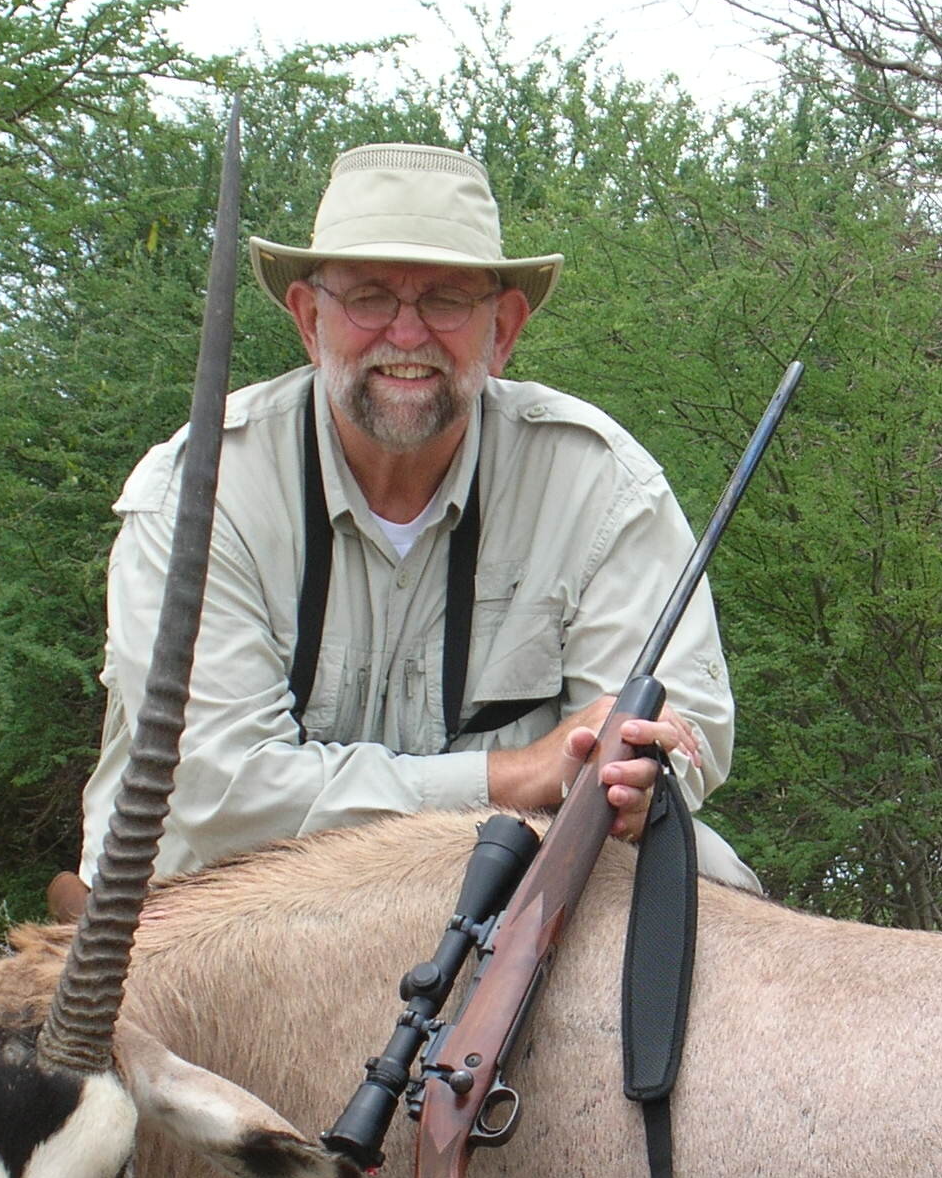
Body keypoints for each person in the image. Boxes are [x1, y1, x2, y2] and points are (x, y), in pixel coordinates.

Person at [74, 141, 756, 897]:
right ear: (309, 319)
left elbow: (681, 735)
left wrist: (640, 773)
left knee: (713, 879)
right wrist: (517, 773)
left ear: (502, 329)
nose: (406, 335)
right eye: (368, 297)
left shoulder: (603, 483)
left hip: (499, 882)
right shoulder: (196, 494)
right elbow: (219, 797)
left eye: (445, 300)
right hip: (232, 904)